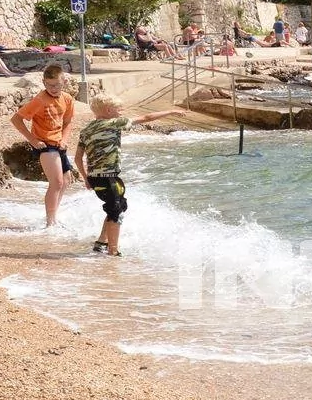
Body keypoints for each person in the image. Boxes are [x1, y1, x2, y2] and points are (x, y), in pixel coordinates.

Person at [74, 96, 183, 256]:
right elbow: (146, 117)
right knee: (116, 210)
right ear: (108, 110)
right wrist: (171, 111)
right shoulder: (114, 123)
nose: (121, 112)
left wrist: (86, 178)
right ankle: (113, 251)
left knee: (117, 206)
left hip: (95, 178)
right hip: (109, 177)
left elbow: (77, 158)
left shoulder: (86, 130)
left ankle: (101, 242)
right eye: (118, 109)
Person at [10, 64, 78, 227]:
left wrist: (65, 139)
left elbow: (68, 122)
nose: (52, 89)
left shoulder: (67, 99)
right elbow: (16, 119)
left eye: (56, 85)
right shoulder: (40, 100)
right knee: (56, 182)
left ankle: (53, 215)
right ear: (43, 82)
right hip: (45, 144)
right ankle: (50, 223)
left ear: (64, 82)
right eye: (49, 85)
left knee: (66, 181)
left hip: (59, 143)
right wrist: (32, 140)